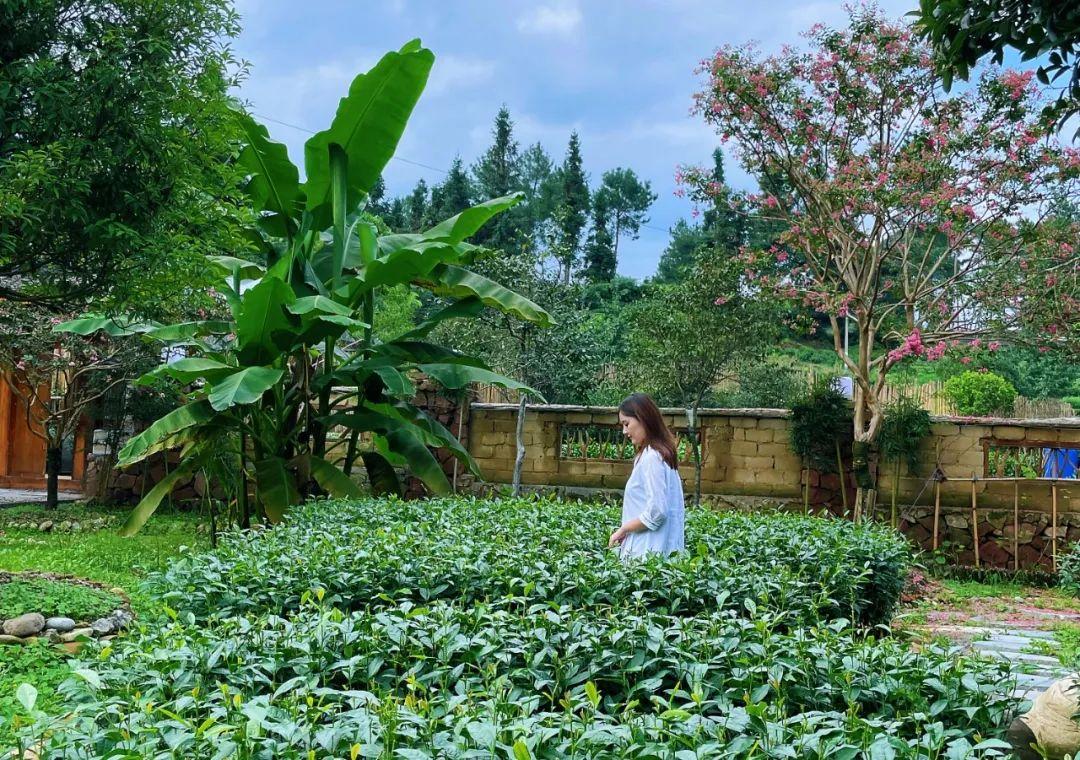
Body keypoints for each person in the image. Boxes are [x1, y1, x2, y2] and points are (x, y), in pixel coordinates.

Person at [607, 393, 686, 559]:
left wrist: (623, 529)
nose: (624, 431)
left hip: (647, 555)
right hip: (658, 554)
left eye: (627, 423)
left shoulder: (652, 457)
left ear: (643, 419)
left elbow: (657, 511)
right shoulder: (658, 454)